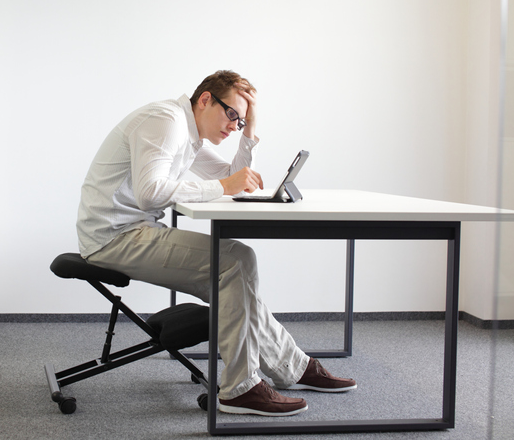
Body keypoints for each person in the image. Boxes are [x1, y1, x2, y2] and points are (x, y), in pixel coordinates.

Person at [76, 70, 356, 416]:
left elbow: (230, 177)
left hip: (132, 230)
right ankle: (241, 387)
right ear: (206, 99)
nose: (233, 125)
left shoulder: (188, 134)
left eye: (240, 121)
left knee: (235, 272)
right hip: (113, 237)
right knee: (235, 260)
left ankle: (290, 366)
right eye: (232, 115)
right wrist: (226, 186)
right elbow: (151, 194)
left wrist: (249, 134)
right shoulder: (166, 122)